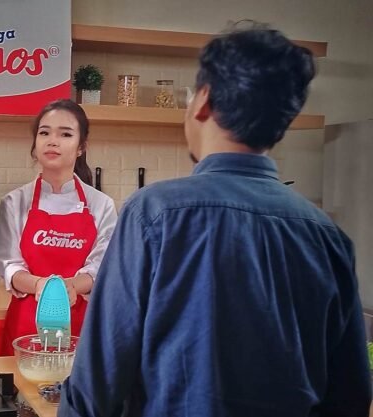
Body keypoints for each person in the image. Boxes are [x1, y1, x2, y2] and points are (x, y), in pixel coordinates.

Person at [59, 24, 372, 417]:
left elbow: (97, 383)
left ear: (203, 101)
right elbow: (350, 397)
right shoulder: (329, 237)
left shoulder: (153, 214)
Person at [0, 99, 117, 355]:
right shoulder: (14, 202)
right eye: (44, 133)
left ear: (81, 147)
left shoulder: (101, 205)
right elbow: (8, 265)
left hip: (82, 327)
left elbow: (101, 266)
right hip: (25, 329)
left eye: (65, 134)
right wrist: (40, 285)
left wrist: (72, 287)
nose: (52, 141)